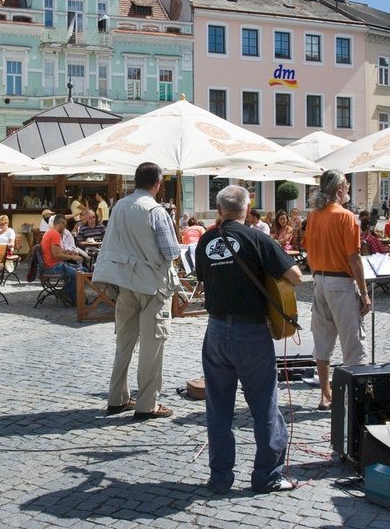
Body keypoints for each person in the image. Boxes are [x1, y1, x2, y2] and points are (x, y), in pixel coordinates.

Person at [196, 185, 302, 494]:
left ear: (219, 210)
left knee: (218, 408)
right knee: (263, 405)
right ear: (247, 207)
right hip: (250, 331)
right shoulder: (259, 238)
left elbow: (206, 278)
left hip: (215, 330)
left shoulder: (205, 240)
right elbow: (295, 276)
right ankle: (266, 476)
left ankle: (219, 478)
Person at [94, 162, 181, 420]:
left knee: (124, 343)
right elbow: (171, 251)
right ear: (157, 184)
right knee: (151, 346)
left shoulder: (119, 206)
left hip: (124, 281)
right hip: (152, 284)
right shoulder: (155, 211)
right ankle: (147, 404)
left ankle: (117, 397)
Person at [301, 169, 370, 411]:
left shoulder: (314, 216)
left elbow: (308, 252)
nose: (349, 191)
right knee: (353, 343)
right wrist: (364, 292)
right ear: (339, 189)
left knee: (322, 341)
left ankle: (325, 394)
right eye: (347, 187)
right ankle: (354, 399)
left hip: (319, 280)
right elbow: (354, 258)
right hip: (340, 283)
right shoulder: (346, 217)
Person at [40, 213, 84, 304]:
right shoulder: (55, 234)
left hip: (51, 265)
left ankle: (66, 291)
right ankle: (70, 295)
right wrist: (72, 257)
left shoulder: (50, 232)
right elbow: (56, 255)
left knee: (84, 270)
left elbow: (58, 252)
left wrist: (69, 252)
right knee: (80, 274)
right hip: (53, 267)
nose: (65, 228)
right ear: (61, 224)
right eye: (64, 225)